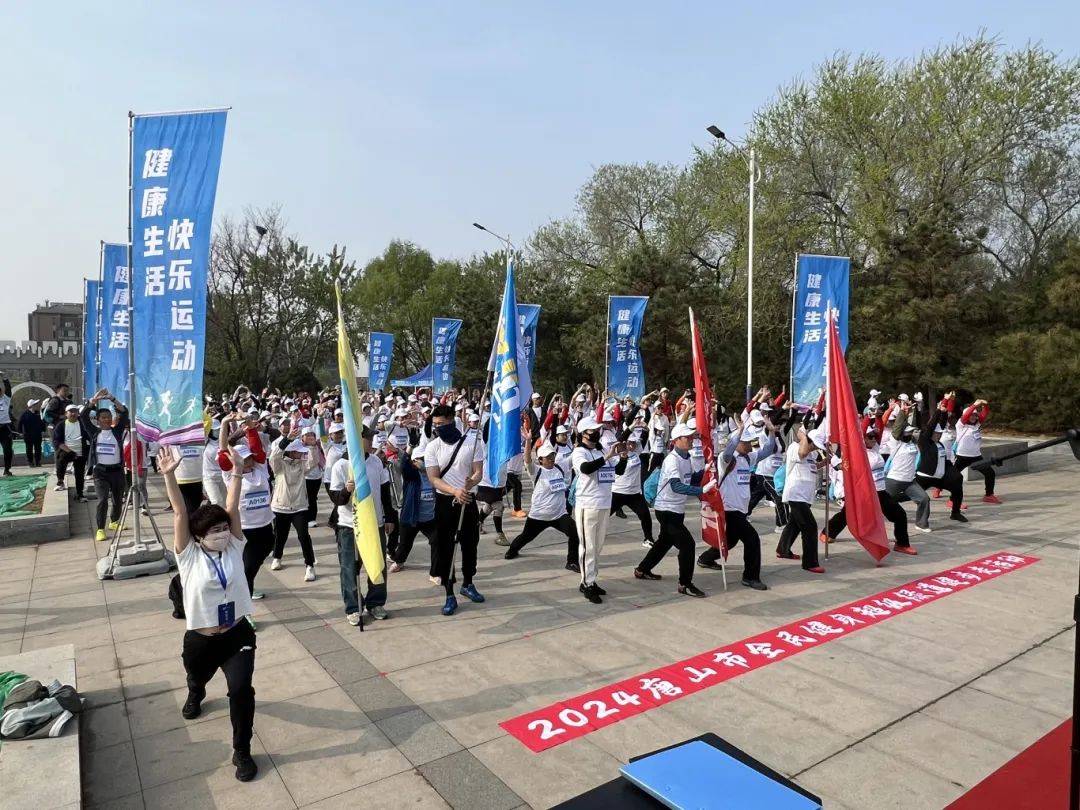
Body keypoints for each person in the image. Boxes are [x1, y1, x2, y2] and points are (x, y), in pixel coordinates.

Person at [159, 443, 258, 783]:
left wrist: (236, 472)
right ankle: (196, 690)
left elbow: (231, 505)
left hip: (237, 634)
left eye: (222, 529)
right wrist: (170, 476)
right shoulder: (188, 556)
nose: (220, 534)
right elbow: (179, 515)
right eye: (213, 531)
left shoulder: (234, 545)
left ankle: (242, 750)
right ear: (199, 537)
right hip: (201, 639)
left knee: (242, 690)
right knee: (197, 674)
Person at [634, 423, 714, 597]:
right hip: (666, 510)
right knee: (688, 545)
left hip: (677, 510)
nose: (692, 439)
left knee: (664, 542)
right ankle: (684, 584)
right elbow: (677, 486)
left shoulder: (687, 458)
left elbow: (689, 479)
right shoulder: (671, 460)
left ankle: (642, 569)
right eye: (688, 437)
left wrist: (705, 472)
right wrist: (701, 490)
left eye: (692, 436)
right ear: (677, 440)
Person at [697, 415, 774, 589]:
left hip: (741, 509)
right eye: (745, 442)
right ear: (737, 442)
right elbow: (729, 449)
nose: (749, 445)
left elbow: (768, 450)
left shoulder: (748, 458)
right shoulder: (726, 459)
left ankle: (705, 559)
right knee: (752, 539)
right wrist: (738, 433)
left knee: (730, 541)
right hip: (728, 509)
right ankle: (750, 577)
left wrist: (771, 431)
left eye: (749, 442)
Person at [424, 403, 486, 616]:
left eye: (442, 424)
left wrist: (471, 482)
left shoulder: (473, 442)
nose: (438, 428)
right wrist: (454, 491)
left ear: (452, 421)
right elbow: (433, 478)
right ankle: (449, 592)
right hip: (445, 503)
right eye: (435, 425)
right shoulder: (433, 447)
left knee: (470, 544)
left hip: (468, 501)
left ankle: (468, 583)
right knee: (446, 549)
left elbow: (478, 471)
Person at [329, 427, 394, 625]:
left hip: (375, 523)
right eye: (368, 437)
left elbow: (384, 492)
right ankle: (353, 606)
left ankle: (375, 602)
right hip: (350, 525)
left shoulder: (375, 461)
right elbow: (336, 499)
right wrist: (347, 491)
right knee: (349, 568)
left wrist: (390, 517)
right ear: (358, 440)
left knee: (377, 565)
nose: (372, 440)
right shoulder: (341, 465)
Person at [823, 422, 915, 554]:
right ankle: (827, 533)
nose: (873, 439)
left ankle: (902, 544)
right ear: (862, 438)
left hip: (880, 491)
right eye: (870, 436)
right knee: (847, 515)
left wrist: (896, 413)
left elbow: (881, 425)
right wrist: (866, 419)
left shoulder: (875, 448)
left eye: (874, 436)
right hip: (863, 492)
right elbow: (839, 461)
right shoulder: (857, 451)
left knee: (900, 514)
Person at [217, 414, 274, 603]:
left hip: (265, 526)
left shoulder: (261, 469)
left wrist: (250, 426)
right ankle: (245, 608)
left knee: (254, 562)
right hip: (244, 528)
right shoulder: (231, 475)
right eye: (243, 459)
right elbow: (223, 451)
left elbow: (257, 446)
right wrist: (224, 424)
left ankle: (243, 587)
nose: (247, 461)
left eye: (249, 458)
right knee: (246, 569)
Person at [571, 417, 625, 604]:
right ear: (583, 433)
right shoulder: (579, 452)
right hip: (588, 504)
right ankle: (586, 583)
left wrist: (623, 457)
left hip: (604, 502)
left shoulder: (601, 449)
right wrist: (607, 456)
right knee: (588, 547)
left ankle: (591, 579)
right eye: (592, 430)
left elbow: (617, 471)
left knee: (598, 546)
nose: (596, 432)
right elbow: (585, 469)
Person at [504, 440, 579, 571]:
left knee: (575, 534)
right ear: (540, 460)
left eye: (552, 456)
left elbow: (575, 455)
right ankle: (513, 550)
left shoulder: (560, 468)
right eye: (547, 457)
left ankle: (572, 562)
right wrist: (528, 441)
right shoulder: (536, 471)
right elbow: (527, 460)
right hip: (539, 516)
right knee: (526, 536)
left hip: (559, 514)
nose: (551, 459)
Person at [268, 429, 319, 581]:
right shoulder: (279, 465)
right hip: (280, 507)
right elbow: (274, 456)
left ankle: (310, 566)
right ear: (291, 452)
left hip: (299, 507)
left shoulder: (302, 465)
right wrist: (287, 440)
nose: (301, 454)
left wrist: (312, 446)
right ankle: (277, 557)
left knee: (304, 536)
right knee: (280, 535)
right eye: (298, 451)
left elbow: (314, 462)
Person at [81, 391, 130, 542]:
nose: (107, 419)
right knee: (102, 500)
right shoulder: (94, 432)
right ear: (98, 420)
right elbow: (83, 416)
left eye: (109, 417)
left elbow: (124, 412)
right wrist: (93, 400)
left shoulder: (117, 431)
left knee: (117, 499)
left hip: (117, 471)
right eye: (103, 417)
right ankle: (101, 529)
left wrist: (112, 398)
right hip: (100, 472)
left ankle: (114, 522)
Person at [776, 426, 826, 573]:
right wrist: (804, 436)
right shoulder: (795, 447)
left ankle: (783, 549)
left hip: (805, 497)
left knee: (794, 524)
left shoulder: (810, 454)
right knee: (809, 527)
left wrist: (824, 463)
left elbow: (811, 467)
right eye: (815, 445)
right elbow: (802, 452)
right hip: (795, 495)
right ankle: (810, 563)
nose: (816, 448)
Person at [388, 444, 437, 575]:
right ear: (414, 461)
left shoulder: (435, 475)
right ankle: (399, 561)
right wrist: (407, 449)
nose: (424, 462)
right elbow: (404, 465)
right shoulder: (412, 476)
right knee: (404, 544)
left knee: (437, 541)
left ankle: (435, 571)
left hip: (430, 519)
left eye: (426, 459)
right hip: (411, 518)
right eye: (420, 459)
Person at [883, 407, 932, 533]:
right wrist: (902, 412)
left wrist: (916, 409)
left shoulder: (914, 443)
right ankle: (871, 519)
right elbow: (897, 429)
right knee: (880, 502)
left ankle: (921, 524)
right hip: (894, 480)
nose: (910, 434)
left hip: (910, 481)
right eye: (908, 433)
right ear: (902, 434)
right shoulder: (895, 443)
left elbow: (919, 427)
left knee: (924, 499)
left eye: (911, 432)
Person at [609, 429, 654, 547]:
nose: (632, 445)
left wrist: (645, 427)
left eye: (634, 443)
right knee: (603, 517)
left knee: (645, 515)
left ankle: (648, 539)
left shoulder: (636, 452)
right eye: (629, 443)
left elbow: (645, 436)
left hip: (634, 494)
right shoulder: (616, 456)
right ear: (624, 443)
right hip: (617, 493)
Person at [953, 399, 1002, 504]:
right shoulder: (960, 424)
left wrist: (985, 405)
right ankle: (952, 499)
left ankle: (989, 495)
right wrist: (974, 405)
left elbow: (984, 413)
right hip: (962, 456)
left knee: (990, 473)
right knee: (954, 477)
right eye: (972, 415)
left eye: (975, 415)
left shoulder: (977, 424)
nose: (974, 417)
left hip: (976, 456)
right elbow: (966, 416)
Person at [53, 404, 88, 501]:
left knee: (80, 474)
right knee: (60, 461)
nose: (73, 413)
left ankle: (80, 494)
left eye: (75, 411)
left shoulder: (82, 424)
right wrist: (69, 451)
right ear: (66, 413)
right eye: (71, 411)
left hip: (81, 451)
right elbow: (57, 441)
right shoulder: (61, 425)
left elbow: (89, 436)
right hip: (66, 450)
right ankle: (60, 481)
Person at [301, 426, 326, 527]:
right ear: (302, 437)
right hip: (305, 477)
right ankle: (305, 518)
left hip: (316, 477)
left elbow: (316, 461)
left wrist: (313, 446)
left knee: (312, 498)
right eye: (307, 435)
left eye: (312, 435)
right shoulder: (300, 448)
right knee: (306, 499)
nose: (310, 437)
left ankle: (311, 518)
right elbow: (308, 463)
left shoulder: (316, 447)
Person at [202, 420, 227, 507]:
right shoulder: (204, 443)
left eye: (219, 429)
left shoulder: (225, 442)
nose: (217, 432)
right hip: (209, 478)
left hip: (223, 477)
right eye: (215, 430)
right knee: (216, 502)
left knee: (225, 502)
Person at [18, 399, 45, 468]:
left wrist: (43, 430)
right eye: (35, 404)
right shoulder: (25, 414)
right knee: (29, 449)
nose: (36, 406)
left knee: (38, 448)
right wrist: (20, 432)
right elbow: (20, 423)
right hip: (28, 435)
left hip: (37, 434)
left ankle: (38, 462)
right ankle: (30, 462)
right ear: (31, 406)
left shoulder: (38, 413)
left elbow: (42, 422)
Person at [0, 371, 12, 475]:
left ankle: (7, 470)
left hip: (4, 428)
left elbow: (8, 390)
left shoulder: (5, 400)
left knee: (7, 450)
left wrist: (4, 378)